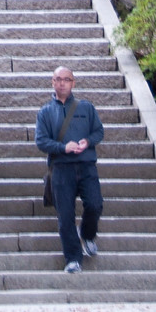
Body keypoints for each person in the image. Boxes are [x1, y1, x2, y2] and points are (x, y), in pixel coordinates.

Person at [36, 65, 104, 274]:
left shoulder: (86, 108)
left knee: (94, 204)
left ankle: (88, 234)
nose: (62, 83)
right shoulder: (46, 112)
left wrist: (88, 141)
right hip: (61, 168)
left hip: (86, 165)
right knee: (65, 216)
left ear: (73, 83)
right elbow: (41, 141)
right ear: (53, 82)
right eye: (59, 79)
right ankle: (73, 259)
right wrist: (62, 147)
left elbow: (99, 131)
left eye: (67, 79)